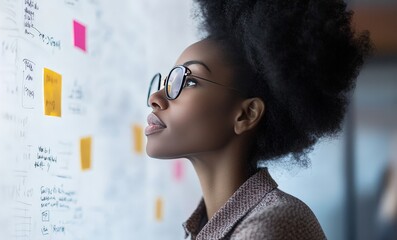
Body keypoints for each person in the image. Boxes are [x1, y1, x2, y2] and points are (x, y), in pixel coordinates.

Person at [145, 0, 371, 239]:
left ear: (247, 114)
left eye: (188, 81)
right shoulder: (204, 226)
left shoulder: (269, 228)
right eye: (169, 82)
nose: (155, 98)